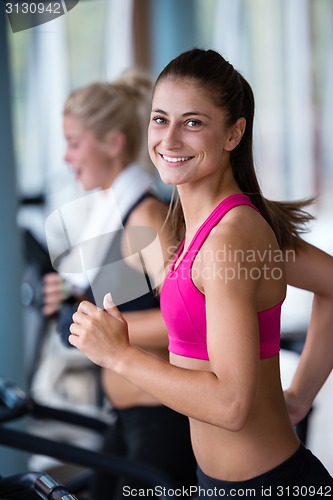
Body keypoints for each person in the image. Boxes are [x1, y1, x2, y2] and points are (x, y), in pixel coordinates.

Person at [69, 49, 333, 498]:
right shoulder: (212, 226)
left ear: (233, 133)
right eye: (159, 119)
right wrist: (301, 395)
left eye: (192, 122)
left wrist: (119, 354)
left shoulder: (229, 238)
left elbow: (231, 406)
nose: (169, 140)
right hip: (225, 483)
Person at [41, 69, 197, 498]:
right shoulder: (117, 213)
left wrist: (96, 327)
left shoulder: (145, 216)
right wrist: (77, 302)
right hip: (128, 420)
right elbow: (133, 303)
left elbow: (189, 320)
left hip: (162, 423)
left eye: (74, 143)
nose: (67, 158)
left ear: (113, 142)